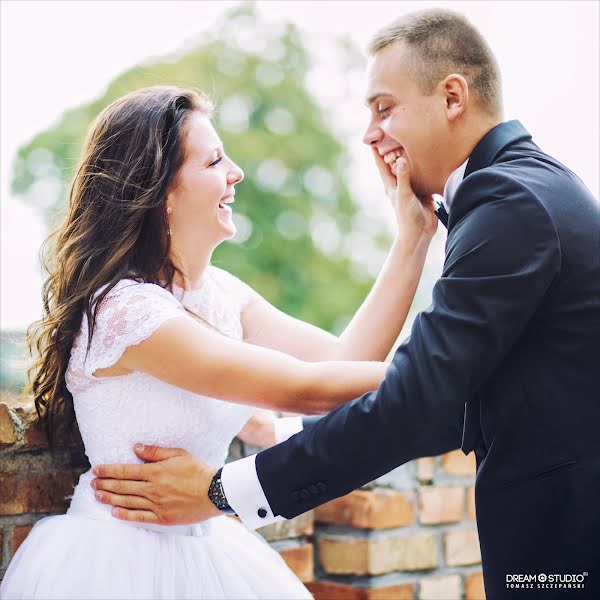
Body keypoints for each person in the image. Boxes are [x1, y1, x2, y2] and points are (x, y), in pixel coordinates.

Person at [90, 9, 600, 600]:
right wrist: (413, 241)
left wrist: (222, 492)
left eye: (384, 108)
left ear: (453, 97)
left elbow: (412, 396)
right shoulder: (522, 188)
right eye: (212, 161)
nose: (368, 134)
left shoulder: (509, 201)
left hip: (567, 546)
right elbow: (437, 399)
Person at [0, 84, 437, 599]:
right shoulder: (125, 310)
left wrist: (414, 236)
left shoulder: (221, 294)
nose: (237, 173)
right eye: (214, 162)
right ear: (161, 192)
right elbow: (309, 390)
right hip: (117, 562)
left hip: (207, 546)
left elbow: (348, 362)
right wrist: (448, 369)